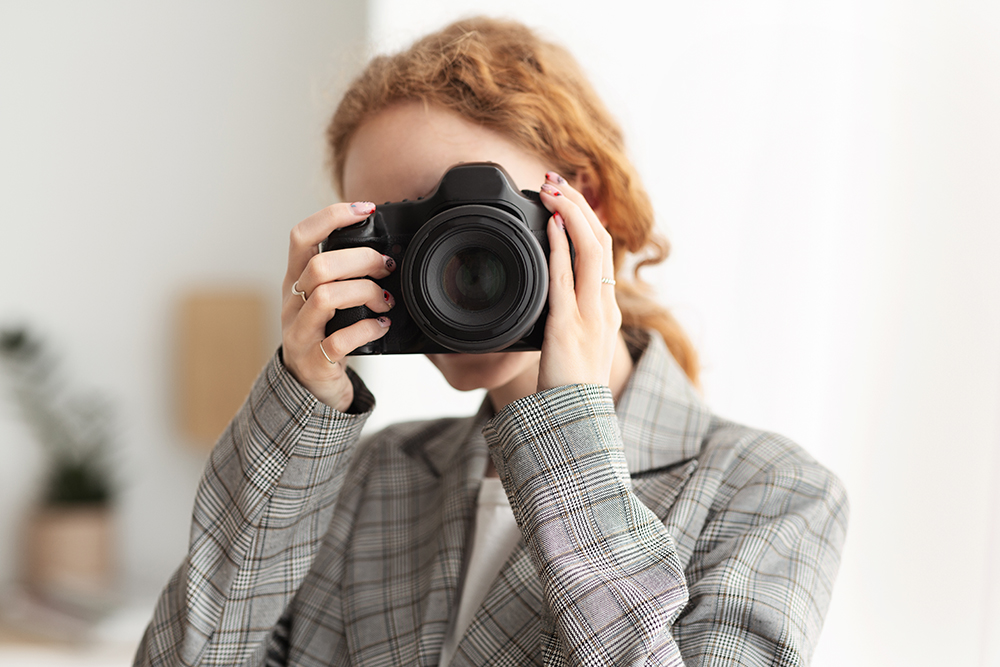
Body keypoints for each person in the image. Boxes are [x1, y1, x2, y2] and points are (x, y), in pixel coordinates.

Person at [136, 17, 848, 667]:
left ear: (583, 203)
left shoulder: (768, 492)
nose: (436, 270)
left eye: (467, 220)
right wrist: (301, 404)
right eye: (402, 238)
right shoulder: (376, 475)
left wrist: (569, 423)